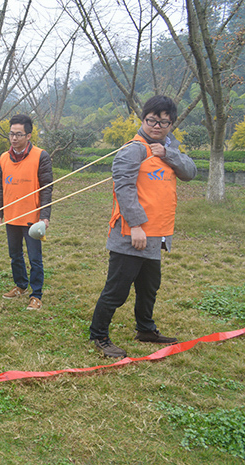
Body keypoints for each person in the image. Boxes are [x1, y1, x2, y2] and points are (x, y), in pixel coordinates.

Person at [89, 96, 197, 358]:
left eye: (164, 122)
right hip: (131, 234)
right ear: (143, 119)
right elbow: (123, 188)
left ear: (171, 124)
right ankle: (99, 335)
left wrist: (168, 153)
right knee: (117, 290)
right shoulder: (132, 150)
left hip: (156, 235)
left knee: (149, 287)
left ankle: (146, 329)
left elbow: (190, 172)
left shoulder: (167, 150)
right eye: (152, 120)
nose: (157, 126)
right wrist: (136, 225)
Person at [0, 114, 53, 311]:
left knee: (35, 258)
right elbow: (0, 186)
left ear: (28, 135)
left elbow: (47, 188)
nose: (13, 138)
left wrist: (45, 216)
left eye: (18, 134)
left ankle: (36, 294)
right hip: (11, 215)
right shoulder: (4, 158)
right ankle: (20, 285)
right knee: (15, 254)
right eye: (11, 134)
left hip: (33, 218)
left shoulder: (40, 156)